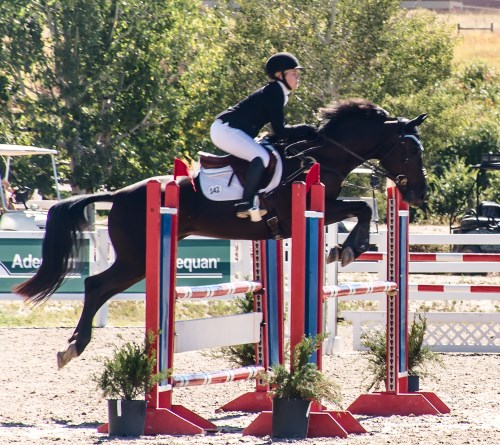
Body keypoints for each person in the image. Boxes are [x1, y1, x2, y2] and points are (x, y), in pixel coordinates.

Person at [210, 52, 316, 219]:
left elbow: (278, 133)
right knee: (261, 156)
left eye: (297, 73)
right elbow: (281, 131)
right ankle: (246, 202)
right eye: (293, 73)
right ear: (279, 75)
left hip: (229, 129)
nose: (298, 77)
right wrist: (306, 129)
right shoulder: (275, 92)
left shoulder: (278, 93)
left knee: (263, 154)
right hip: (225, 129)